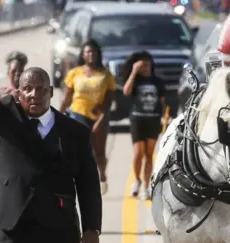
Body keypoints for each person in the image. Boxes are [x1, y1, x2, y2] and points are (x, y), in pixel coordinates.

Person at [0, 41, 102, 243]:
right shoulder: (5, 118)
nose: (34, 94)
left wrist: (92, 228)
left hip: (56, 236)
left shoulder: (75, 133)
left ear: (51, 92)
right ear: (19, 92)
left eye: (41, 89)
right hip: (9, 234)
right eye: (27, 88)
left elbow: (88, 185)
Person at [60, 39, 116, 196]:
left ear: (98, 54)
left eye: (93, 52)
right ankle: (80, 182)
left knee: (99, 152)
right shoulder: (74, 73)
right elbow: (67, 98)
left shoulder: (106, 75)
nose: (91, 54)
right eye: (87, 52)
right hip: (78, 114)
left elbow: (109, 101)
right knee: (80, 151)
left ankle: (102, 176)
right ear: (83, 55)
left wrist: (101, 120)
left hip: (99, 116)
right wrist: (58, 114)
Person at [121, 51, 166, 200]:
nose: (145, 68)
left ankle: (146, 186)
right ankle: (137, 180)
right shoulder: (135, 81)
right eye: (142, 66)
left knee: (149, 154)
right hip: (137, 120)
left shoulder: (158, 82)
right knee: (138, 153)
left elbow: (162, 102)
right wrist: (133, 72)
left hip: (153, 120)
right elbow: (126, 91)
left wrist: (164, 117)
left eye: (147, 65)